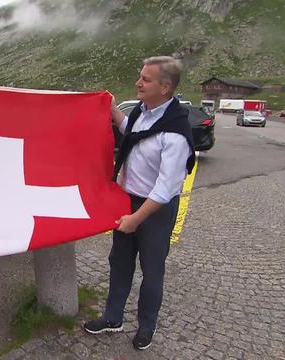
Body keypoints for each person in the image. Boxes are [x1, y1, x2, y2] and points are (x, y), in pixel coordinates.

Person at [83, 56, 196, 350]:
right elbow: (131, 132)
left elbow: (165, 188)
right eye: (140, 77)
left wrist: (136, 219)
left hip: (154, 210)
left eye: (146, 79)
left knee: (152, 269)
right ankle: (112, 318)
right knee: (119, 262)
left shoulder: (176, 133)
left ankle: (147, 326)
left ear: (165, 87)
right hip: (127, 200)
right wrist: (111, 112)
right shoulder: (143, 113)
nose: (138, 83)